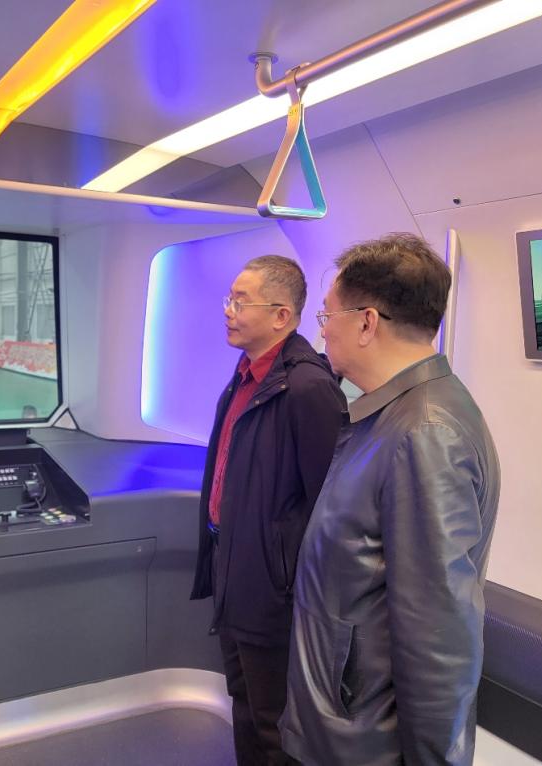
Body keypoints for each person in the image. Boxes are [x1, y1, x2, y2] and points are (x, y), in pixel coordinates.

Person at [279, 234, 500, 766]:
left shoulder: (425, 433)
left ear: (366, 323)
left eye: (326, 316)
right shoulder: (388, 418)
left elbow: (438, 639)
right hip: (343, 730)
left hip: (365, 744)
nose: (322, 331)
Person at [190, 256, 346, 766]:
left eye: (241, 301)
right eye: (229, 300)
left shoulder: (307, 388)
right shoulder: (246, 375)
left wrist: (287, 577)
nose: (228, 311)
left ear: (281, 316)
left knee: (273, 720)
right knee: (242, 700)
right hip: (233, 566)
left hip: (272, 587)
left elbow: (328, 502)